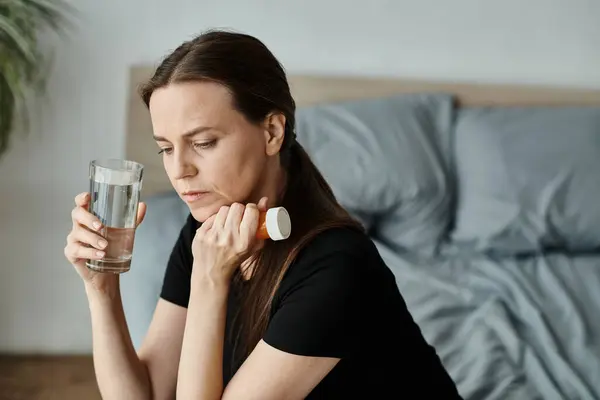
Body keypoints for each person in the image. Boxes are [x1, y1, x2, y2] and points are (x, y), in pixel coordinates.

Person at [64, 29, 462, 399]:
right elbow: (146, 393)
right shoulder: (206, 229)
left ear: (271, 132)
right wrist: (102, 289)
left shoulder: (338, 268)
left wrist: (209, 281)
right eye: (166, 148)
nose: (179, 169)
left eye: (203, 142)